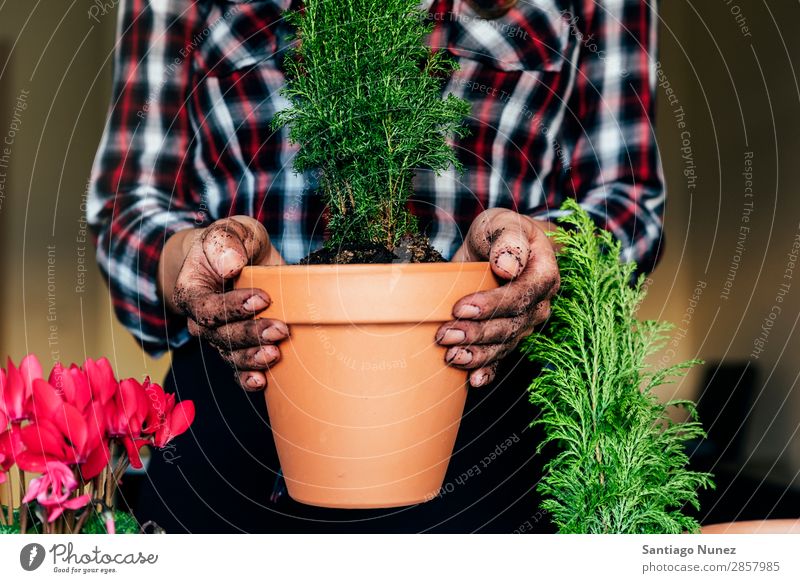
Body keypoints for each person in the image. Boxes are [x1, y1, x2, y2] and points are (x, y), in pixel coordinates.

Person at [88, 0, 664, 533]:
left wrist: (530, 253)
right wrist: (201, 260)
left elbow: (626, 205)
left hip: (492, 420)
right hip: (235, 412)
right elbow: (130, 211)